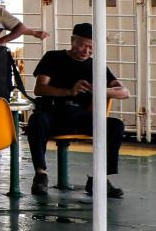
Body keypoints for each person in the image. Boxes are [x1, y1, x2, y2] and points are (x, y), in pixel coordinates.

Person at [26, 22, 128, 198]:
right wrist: (69, 92)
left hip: (80, 116)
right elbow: (40, 89)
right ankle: (40, 174)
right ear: (72, 40)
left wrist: (100, 90)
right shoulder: (53, 57)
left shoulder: (96, 65)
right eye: (82, 45)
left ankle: (99, 178)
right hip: (53, 114)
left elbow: (124, 92)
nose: (86, 51)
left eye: (91, 48)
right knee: (36, 120)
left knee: (115, 125)